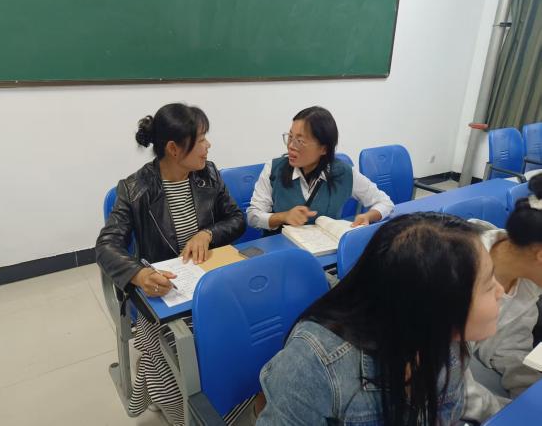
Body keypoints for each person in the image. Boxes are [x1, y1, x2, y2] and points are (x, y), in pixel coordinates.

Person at [256, 212, 503, 426]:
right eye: (489, 284)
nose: (500, 291)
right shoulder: (315, 364)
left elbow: (447, 415)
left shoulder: (447, 340)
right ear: (439, 303)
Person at [96, 103, 247, 425]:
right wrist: (139, 273)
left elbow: (236, 219)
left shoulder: (208, 175)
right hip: (165, 290)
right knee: (171, 354)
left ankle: (230, 401)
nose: (208, 146)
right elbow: (107, 245)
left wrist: (207, 233)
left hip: (210, 280)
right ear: (174, 149)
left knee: (240, 339)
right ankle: (189, 414)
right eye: (201, 139)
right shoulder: (134, 189)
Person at [463, 173, 542, 422]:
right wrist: (508, 414)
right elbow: (444, 382)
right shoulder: (457, 273)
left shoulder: (527, 281)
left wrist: (532, 399)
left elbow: (510, 349)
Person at [247, 106, 393, 233]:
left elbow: (385, 202)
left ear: (324, 149)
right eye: (290, 137)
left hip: (327, 249)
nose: (291, 145)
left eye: (300, 141)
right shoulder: (273, 169)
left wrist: (368, 216)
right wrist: (283, 216)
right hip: (283, 248)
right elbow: (252, 216)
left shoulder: (344, 172)